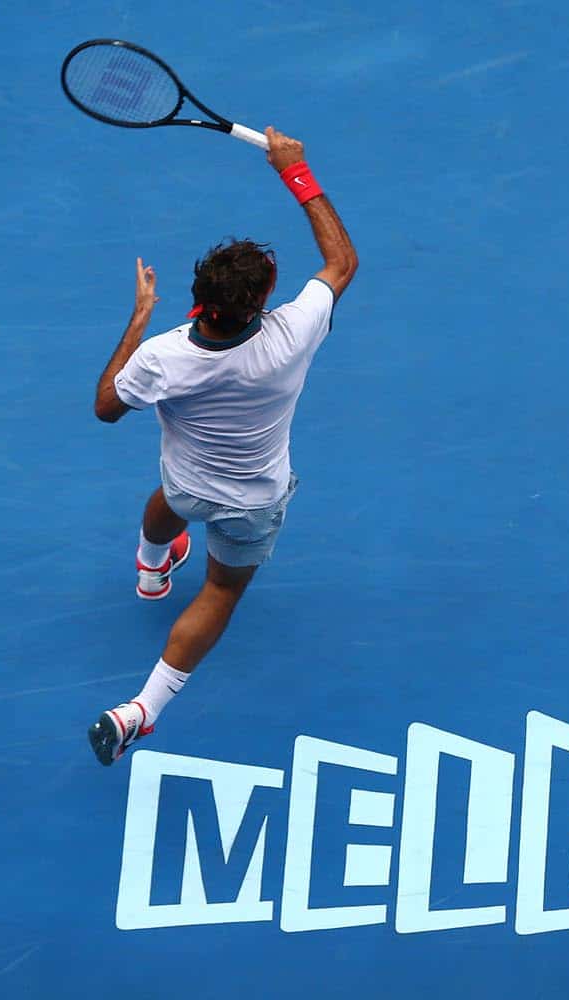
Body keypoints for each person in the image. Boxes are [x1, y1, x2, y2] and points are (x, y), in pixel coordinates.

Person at [86, 127, 357, 766]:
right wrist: (296, 170)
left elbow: (106, 408)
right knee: (220, 592)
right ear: (263, 302)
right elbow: (341, 262)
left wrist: (138, 321)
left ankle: (152, 566)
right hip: (251, 503)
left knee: (169, 500)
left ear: (196, 299)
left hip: (186, 483)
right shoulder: (291, 333)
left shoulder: (162, 356)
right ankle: (140, 711)